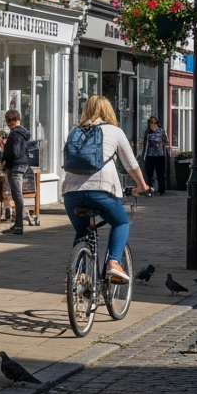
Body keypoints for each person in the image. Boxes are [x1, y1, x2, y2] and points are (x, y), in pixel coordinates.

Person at [62, 95, 151, 284]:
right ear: (108, 111)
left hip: (71, 193)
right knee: (121, 223)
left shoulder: (74, 131)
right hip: (102, 192)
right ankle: (114, 262)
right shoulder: (114, 131)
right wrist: (141, 186)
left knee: (82, 233)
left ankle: (78, 275)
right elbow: (131, 165)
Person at [1, 110, 33, 235]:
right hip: (23, 164)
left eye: (8, 121)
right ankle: (18, 223)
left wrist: (5, 155)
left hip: (15, 166)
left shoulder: (14, 134)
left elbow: (14, 152)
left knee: (17, 196)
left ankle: (18, 225)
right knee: (17, 195)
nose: (7, 124)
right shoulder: (23, 132)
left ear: (12, 121)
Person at [139, 117, 170, 194]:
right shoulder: (148, 132)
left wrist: (162, 144)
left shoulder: (161, 131)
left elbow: (166, 141)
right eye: (151, 123)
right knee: (148, 173)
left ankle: (161, 189)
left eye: (154, 123)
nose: (153, 124)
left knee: (160, 173)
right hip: (150, 155)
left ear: (157, 123)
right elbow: (145, 143)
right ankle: (149, 188)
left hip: (160, 155)